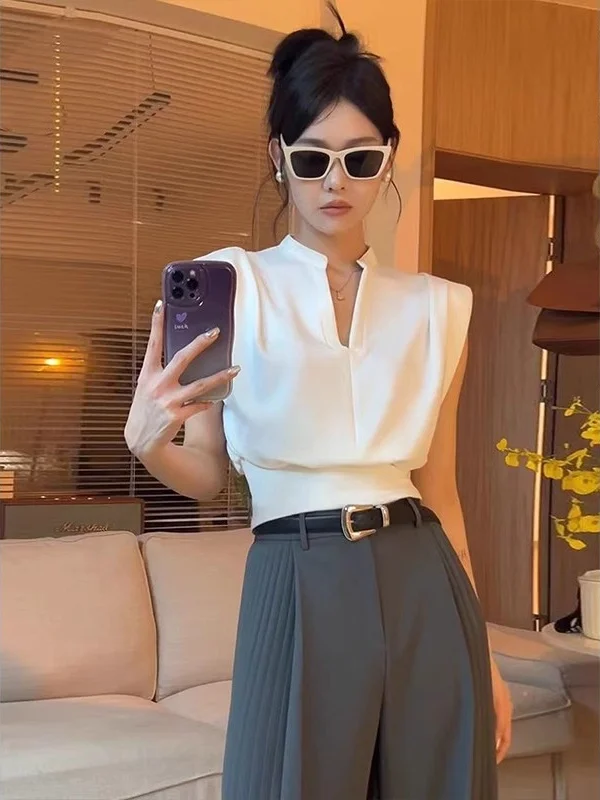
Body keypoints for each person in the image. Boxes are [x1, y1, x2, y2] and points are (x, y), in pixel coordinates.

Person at [125, 8, 512, 799]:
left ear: (388, 158)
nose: (336, 183)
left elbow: (441, 492)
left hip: (423, 577)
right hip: (294, 570)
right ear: (279, 158)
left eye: (360, 159)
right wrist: (148, 443)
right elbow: (207, 472)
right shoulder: (233, 284)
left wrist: (491, 656)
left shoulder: (440, 307)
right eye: (312, 159)